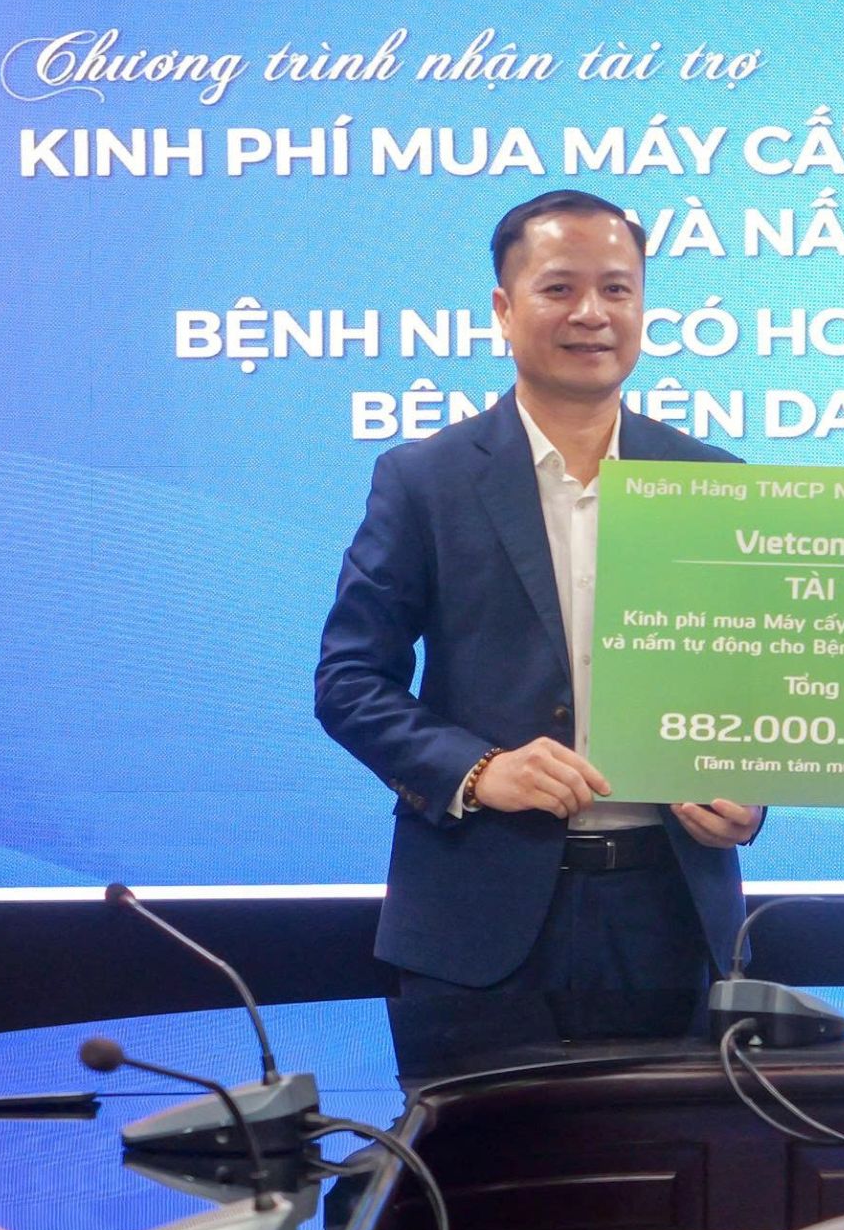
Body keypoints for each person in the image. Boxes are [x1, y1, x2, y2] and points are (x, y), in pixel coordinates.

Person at [315, 189, 763, 995]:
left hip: (676, 921)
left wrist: (752, 792)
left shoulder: (714, 482)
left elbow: (757, 685)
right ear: (504, 308)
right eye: (559, 288)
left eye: (616, 289)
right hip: (474, 924)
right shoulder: (425, 479)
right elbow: (348, 682)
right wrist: (477, 769)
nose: (592, 313)